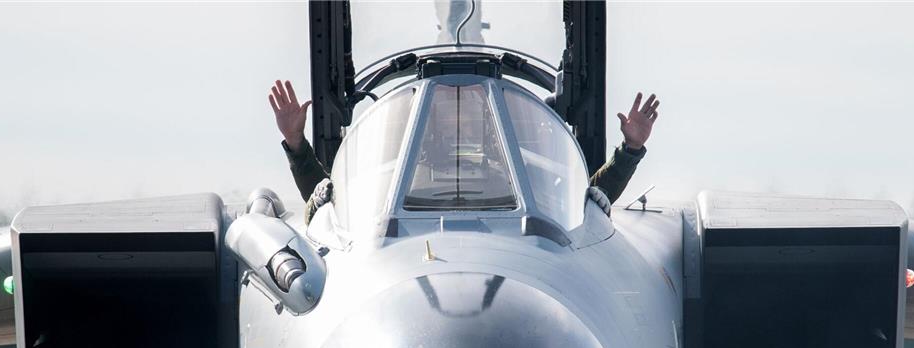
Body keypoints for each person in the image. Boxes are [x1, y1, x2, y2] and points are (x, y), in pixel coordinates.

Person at [268, 79, 659, 213]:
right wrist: (296, 144)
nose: (458, 115)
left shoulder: (522, 178)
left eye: (471, 105)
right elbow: (330, 207)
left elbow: (584, 207)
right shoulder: (390, 180)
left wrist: (629, 151)